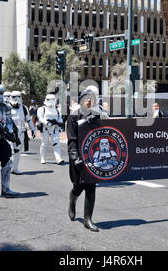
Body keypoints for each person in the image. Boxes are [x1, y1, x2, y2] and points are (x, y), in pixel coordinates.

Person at [67, 86, 109, 232]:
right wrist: (75, 157)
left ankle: (88, 220)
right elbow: (72, 140)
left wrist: (98, 119)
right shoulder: (74, 115)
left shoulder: (98, 113)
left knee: (91, 187)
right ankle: (72, 199)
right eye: (88, 98)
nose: (91, 101)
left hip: (93, 156)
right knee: (78, 187)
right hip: (78, 157)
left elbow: (108, 128)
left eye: (93, 98)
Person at [9, 91, 36, 174]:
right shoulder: (7, 107)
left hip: (21, 131)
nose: (16, 99)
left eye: (18, 96)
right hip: (10, 132)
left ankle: (15, 168)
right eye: (14, 97)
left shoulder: (24, 108)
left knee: (18, 151)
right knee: (9, 150)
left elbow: (28, 119)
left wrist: (33, 129)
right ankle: (8, 167)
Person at [37, 94, 64, 165]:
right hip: (45, 128)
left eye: (53, 99)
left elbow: (59, 118)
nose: (51, 101)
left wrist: (58, 123)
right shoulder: (42, 109)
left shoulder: (57, 110)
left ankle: (58, 159)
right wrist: (47, 123)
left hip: (54, 128)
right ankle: (42, 158)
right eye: (49, 100)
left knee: (56, 144)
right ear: (46, 100)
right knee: (44, 144)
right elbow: (40, 118)